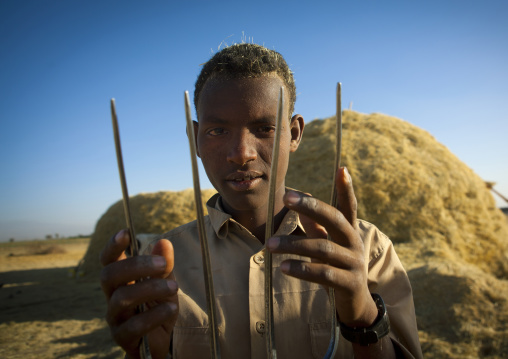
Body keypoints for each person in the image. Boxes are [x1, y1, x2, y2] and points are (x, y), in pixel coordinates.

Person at [100, 43, 423, 359]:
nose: (241, 153)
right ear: (194, 137)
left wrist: (364, 317)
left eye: (264, 128)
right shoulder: (162, 267)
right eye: (216, 131)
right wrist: (149, 354)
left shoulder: (366, 248)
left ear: (294, 134)